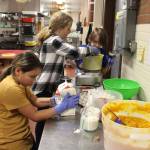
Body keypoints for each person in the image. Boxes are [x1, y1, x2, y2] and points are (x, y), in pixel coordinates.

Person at [0, 52, 79, 150]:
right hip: (13, 144)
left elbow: (36, 100)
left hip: (24, 137)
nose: (35, 80)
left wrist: (54, 100)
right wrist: (61, 107)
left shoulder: (19, 82)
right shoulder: (11, 88)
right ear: (18, 71)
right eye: (32, 76)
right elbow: (35, 116)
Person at [32, 11, 79, 149]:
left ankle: (39, 144)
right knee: (42, 120)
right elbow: (75, 52)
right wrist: (92, 50)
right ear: (61, 27)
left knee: (45, 120)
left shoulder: (52, 40)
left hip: (45, 87)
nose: (69, 31)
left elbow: (62, 57)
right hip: (43, 88)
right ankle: (38, 146)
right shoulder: (55, 40)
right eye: (68, 28)